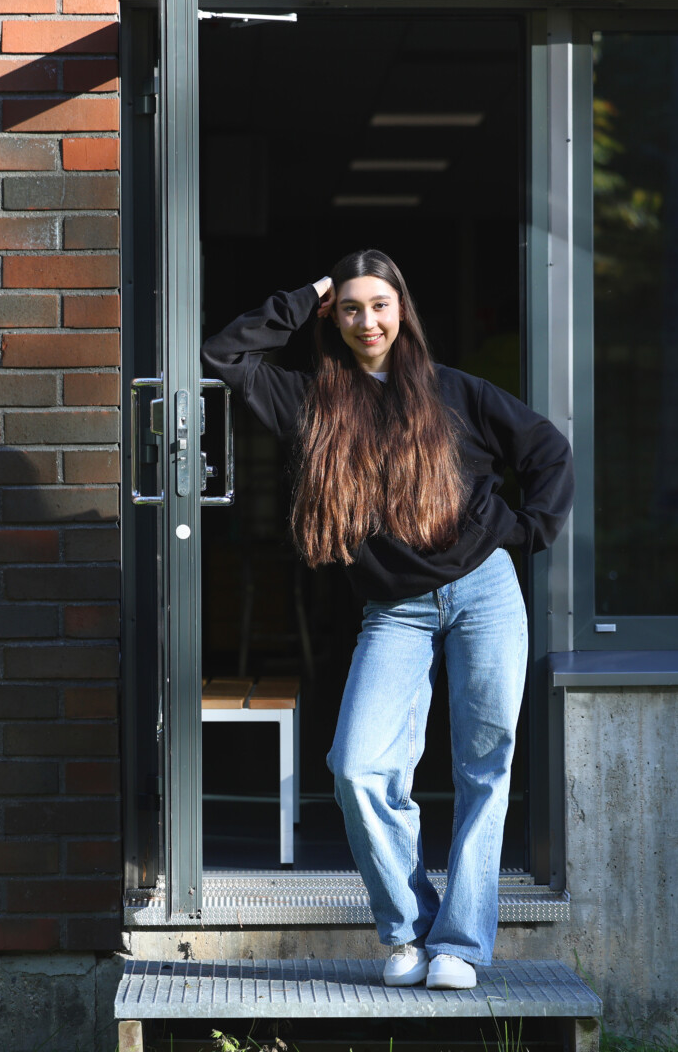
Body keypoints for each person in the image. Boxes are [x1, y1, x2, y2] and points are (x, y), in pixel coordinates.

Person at [202, 249, 574, 991]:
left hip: (485, 593)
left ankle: (460, 948)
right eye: (349, 307)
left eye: (379, 304)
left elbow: (548, 452)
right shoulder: (311, 402)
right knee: (357, 766)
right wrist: (304, 291)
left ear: (401, 311)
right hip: (395, 613)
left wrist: (518, 531)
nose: (366, 320)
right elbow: (224, 355)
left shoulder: (453, 393)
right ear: (331, 318)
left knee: (482, 769)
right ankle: (406, 931)